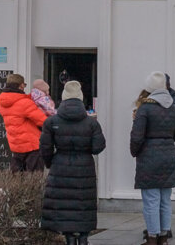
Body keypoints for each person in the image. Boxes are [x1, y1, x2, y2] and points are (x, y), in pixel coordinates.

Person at [40, 80, 106, 245]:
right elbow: (98, 147)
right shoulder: (91, 123)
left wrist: (51, 163)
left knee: (64, 205)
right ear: (81, 99)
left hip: (60, 166)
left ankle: (69, 239)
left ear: (63, 99)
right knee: (83, 204)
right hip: (84, 167)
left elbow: (45, 148)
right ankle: (83, 239)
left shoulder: (51, 122)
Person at [130, 72, 175, 245]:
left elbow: (137, 137)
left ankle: (152, 237)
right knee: (165, 200)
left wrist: (135, 151)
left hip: (149, 157)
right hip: (168, 156)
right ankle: (163, 237)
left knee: (151, 200)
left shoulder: (144, 109)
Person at [0, 73, 47, 172]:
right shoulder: (24, 103)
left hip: (16, 146)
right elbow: (43, 121)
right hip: (32, 146)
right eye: (24, 84)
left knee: (18, 181)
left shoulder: (2, 103)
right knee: (34, 180)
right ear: (20, 85)